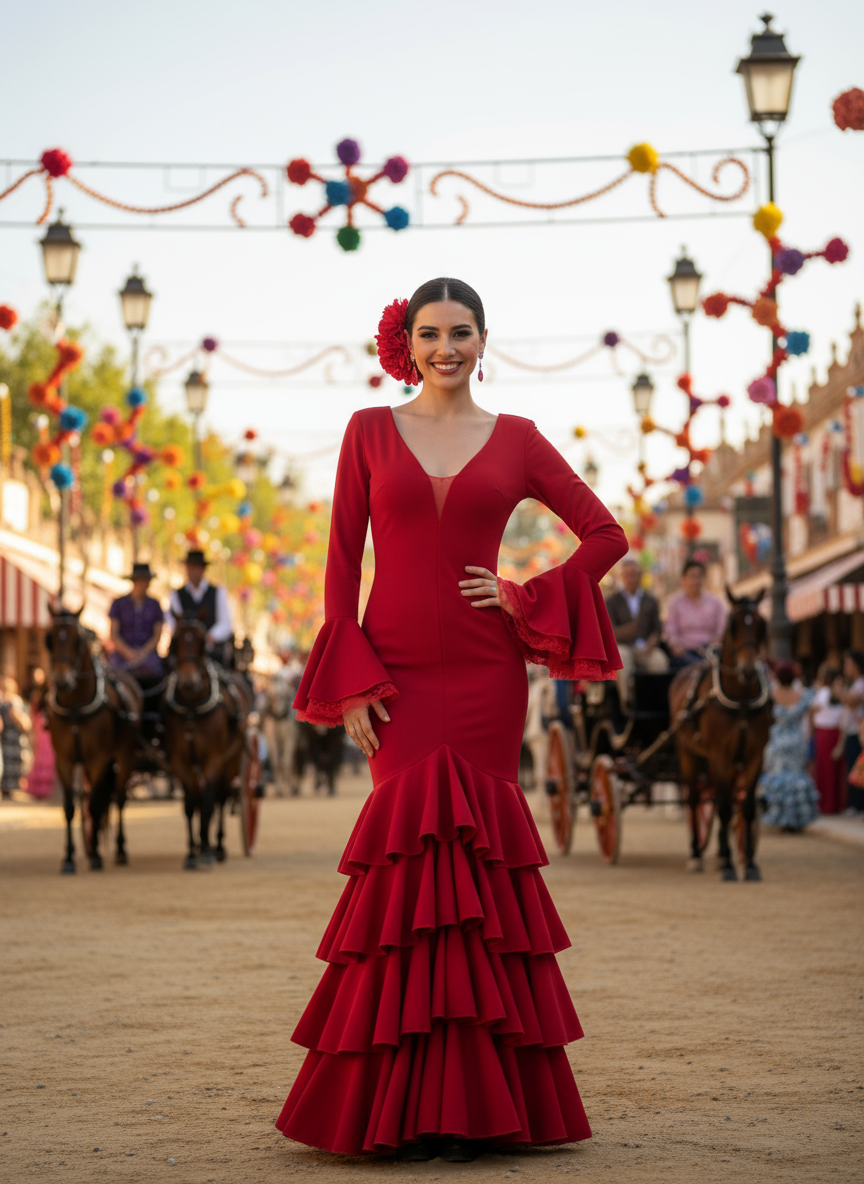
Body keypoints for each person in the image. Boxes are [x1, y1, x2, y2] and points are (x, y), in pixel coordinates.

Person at [275, 278, 627, 1161]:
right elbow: (339, 564)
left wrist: (520, 595)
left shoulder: (516, 440)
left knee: (478, 871)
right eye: (429, 332)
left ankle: (479, 1103)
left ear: (482, 340)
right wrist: (351, 679)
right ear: (407, 340)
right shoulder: (366, 430)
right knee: (404, 870)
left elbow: (605, 535)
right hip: (391, 672)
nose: (445, 347)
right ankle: (394, 1105)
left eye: (460, 332)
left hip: (484, 675)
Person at [758, 662, 819, 831]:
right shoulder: (802, 695)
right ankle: (796, 818)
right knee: (796, 776)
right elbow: (812, 716)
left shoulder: (772, 695)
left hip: (777, 740)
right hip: (796, 741)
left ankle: (780, 815)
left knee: (778, 777)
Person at [605, 555, 668, 708]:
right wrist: (632, 628)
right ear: (622, 577)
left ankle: (658, 703)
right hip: (624, 647)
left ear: (640, 576)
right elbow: (610, 632)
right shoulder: (612, 601)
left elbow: (657, 628)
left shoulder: (650, 600)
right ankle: (629, 703)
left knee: (660, 661)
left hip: (646, 648)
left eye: (635, 574)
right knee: (622, 659)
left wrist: (653, 642)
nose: (631, 579)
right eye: (628, 575)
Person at [167, 549, 234, 663]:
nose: (192, 571)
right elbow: (172, 622)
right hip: (185, 651)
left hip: (212, 650)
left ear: (203, 569)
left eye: (195, 567)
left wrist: (209, 637)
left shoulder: (218, 592)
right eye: (189, 567)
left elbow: (226, 623)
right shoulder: (176, 594)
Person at [108, 562, 164, 687]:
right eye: (141, 580)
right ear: (134, 581)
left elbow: (157, 636)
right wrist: (128, 653)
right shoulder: (118, 604)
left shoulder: (155, 605)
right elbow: (113, 634)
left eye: (146, 580)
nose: (144, 584)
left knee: (159, 676)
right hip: (122, 655)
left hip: (148, 655)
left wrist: (143, 654)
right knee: (111, 677)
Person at [664, 559, 727, 668]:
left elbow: (722, 628)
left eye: (699, 576)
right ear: (684, 579)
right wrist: (675, 645)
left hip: (711, 652)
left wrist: (717, 640)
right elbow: (671, 630)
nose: (696, 580)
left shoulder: (715, 602)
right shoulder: (675, 604)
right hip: (685, 654)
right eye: (692, 576)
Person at [810, 663, 846, 815]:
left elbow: (813, 709)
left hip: (824, 733)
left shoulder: (823, 692)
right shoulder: (837, 692)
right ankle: (835, 804)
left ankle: (826, 804)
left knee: (825, 769)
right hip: (835, 732)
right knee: (834, 769)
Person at [837, 649, 864, 812]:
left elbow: (851, 701)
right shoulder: (855, 684)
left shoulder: (861, 683)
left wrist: (838, 689)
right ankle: (855, 804)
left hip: (859, 733)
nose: (846, 668)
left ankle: (859, 805)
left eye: (848, 664)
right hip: (854, 731)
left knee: (858, 769)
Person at [24, 667, 55, 799]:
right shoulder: (32, 691)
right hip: (39, 722)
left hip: (46, 723)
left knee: (47, 752)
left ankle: (47, 788)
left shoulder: (49, 691)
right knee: (39, 752)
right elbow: (33, 709)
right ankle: (38, 789)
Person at [0, 675, 32, 798]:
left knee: (15, 765)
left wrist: (16, 715)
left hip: (15, 740)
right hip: (3, 740)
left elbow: (26, 724)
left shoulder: (18, 702)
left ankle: (11, 789)